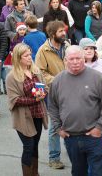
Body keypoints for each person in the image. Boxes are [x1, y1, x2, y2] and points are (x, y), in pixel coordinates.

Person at [49, 45, 102, 176]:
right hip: (70, 138)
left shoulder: (97, 77)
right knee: (78, 172)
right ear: (65, 60)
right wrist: (58, 128)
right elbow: (53, 106)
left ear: (83, 58)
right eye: (71, 59)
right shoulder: (57, 81)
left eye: (78, 58)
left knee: (99, 173)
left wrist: (99, 127)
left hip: (93, 136)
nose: (75, 62)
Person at [6, 43, 48, 176]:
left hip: (38, 114)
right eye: (26, 55)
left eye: (30, 54)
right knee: (28, 146)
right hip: (23, 118)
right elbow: (14, 99)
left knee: (35, 146)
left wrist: (42, 93)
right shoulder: (11, 77)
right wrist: (34, 99)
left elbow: (44, 88)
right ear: (18, 58)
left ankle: (35, 173)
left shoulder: (36, 71)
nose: (30, 57)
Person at [35, 20, 69, 170]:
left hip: (71, 91)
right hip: (53, 93)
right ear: (52, 33)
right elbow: (39, 72)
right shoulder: (43, 51)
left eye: (64, 30)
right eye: (61, 31)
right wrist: (57, 80)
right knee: (55, 126)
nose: (64, 33)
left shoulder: (67, 46)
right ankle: (54, 158)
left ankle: (74, 153)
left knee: (72, 122)